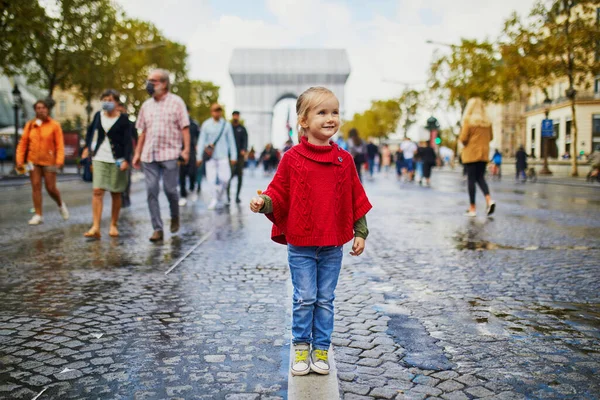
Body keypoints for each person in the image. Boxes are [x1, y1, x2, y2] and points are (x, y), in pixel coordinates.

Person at [249, 86, 372, 377]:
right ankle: (301, 347)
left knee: (325, 299)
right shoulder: (291, 158)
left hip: (332, 245)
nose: (331, 118)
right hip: (301, 243)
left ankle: (321, 349)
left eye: (335, 112)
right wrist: (262, 203)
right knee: (305, 297)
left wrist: (361, 232)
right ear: (303, 121)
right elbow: (277, 194)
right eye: (322, 113)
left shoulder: (345, 160)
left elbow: (355, 198)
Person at [132, 68, 191, 242]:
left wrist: (186, 150)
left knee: (170, 190)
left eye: (153, 81)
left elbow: (185, 128)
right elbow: (142, 131)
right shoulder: (145, 105)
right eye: (148, 80)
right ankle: (157, 228)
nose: (149, 84)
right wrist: (137, 153)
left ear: (164, 84)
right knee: (151, 190)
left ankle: (175, 216)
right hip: (149, 155)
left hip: (170, 153)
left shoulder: (176, 102)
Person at [81, 89, 133, 239]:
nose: (107, 102)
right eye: (104, 99)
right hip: (99, 157)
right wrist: (86, 148)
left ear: (117, 102)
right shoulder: (98, 116)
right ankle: (95, 226)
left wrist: (127, 160)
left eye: (110, 99)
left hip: (117, 160)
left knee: (116, 193)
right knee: (97, 191)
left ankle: (113, 225)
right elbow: (90, 133)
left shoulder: (124, 120)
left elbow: (128, 142)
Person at [16, 100, 69, 225]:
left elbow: (60, 145)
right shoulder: (30, 125)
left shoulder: (54, 125)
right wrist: (19, 160)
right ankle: (38, 215)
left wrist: (59, 160)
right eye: (38, 108)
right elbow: (23, 144)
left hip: (49, 161)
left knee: (50, 188)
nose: (41, 110)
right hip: (33, 161)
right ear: (35, 110)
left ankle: (61, 204)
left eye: (43, 107)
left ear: (47, 109)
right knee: (35, 186)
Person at [459, 97, 496, 217]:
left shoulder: (468, 121)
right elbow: (491, 137)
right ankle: (489, 200)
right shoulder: (487, 123)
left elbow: (463, 138)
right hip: (483, 153)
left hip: (471, 153)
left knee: (471, 179)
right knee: (480, 177)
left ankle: (472, 208)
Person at [197, 103, 237, 210]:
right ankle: (214, 198)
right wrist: (199, 157)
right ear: (212, 112)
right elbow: (201, 141)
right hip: (210, 157)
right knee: (211, 179)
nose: (217, 112)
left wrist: (234, 156)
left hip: (223, 155)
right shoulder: (206, 125)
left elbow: (231, 141)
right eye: (215, 110)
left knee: (226, 178)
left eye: (219, 110)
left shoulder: (226, 125)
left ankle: (219, 192)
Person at [179, 107, 200, 206]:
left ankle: (192, 189)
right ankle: (183, 195)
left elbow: (199, 138)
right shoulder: (178, 124)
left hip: (191, 151)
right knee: (181, 174)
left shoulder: (194, 124)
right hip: (180, 151)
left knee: (192, 172)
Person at [117, 100, 137, 208]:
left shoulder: (130, 123)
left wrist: (136, 153)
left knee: (126, 176)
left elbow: (135, 138)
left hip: (127, 153)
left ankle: (126, 196)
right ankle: (119, 196)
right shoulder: (114, 122)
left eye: (121, 108)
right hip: (116, 153)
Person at [227, 110, 248, 204]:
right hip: (230, 156)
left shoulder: (242, 129)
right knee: (228, 176)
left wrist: (244, 149)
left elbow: (245, 140)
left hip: (239, 156)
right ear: (232, 116)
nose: (235, 117)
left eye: (237, 115)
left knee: (239, 176)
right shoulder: (228, 127)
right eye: (234, 115)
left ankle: (237, 196)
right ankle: (227, 196)